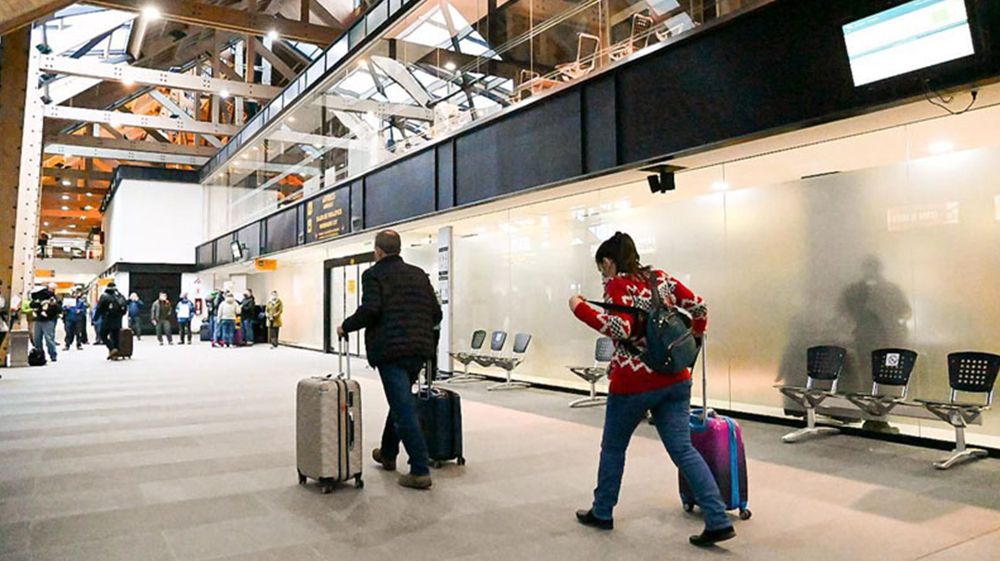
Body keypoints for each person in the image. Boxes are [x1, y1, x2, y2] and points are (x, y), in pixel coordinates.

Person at [568, 232, 734, 547]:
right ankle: (717, 519)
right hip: (675, 379)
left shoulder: (617, 285)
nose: (603, 273)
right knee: (683, 450)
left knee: (614, 448)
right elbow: (699, 307)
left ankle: (602, 511)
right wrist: (692, 342)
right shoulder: (662, 279)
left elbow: (622, 329)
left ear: (608, 261)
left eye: (602, 267)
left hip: (634, 383)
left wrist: (579, 308)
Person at [338, 230, 442, 491]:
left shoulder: (373, 274)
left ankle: (419, 469)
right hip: (418, 350)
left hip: (391, 351)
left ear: (378, 251)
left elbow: (371, 310)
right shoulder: (419, 274)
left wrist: (345, 327)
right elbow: (436, 313)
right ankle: (387, 452)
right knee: (401, 400)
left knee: (403, 408)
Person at [30, 283, 62, 363]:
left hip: (48, 320)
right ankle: (39, 355)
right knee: (37, 339)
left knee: (49, 339)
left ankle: (53, 355)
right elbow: (32, 305)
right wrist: (40, 303)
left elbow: (59, 309)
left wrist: (52, 305)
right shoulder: (38, 297)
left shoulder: (54, 298)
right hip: (38, 320)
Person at [95, 282, 128, 360]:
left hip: (107, 320)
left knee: (102, 335)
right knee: (115, 337)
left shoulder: (104, 296)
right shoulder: (120, 296)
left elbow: (99, 308)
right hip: (118, 320)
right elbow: (125, 308)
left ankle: (112, 349)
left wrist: (95, 318)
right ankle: (115, 354)